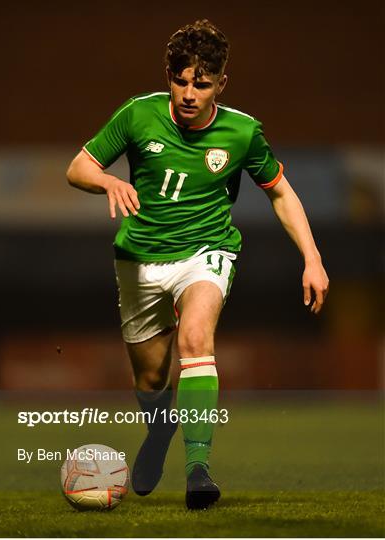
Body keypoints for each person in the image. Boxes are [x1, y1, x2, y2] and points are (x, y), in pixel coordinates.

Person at [66, 19, 329, 510]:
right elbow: (78, 167)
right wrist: (108, 182)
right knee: (149, 378)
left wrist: (312, 259)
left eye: (201, 84)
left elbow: (281, 194)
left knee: (195, 338)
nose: (189, 93)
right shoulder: (138, 115)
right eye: (180, 80)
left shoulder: (242, 131)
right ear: (169, 76)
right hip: (140, 259)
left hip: (205, 252)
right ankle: (161, 428)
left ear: (220, 84)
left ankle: (198, 470)